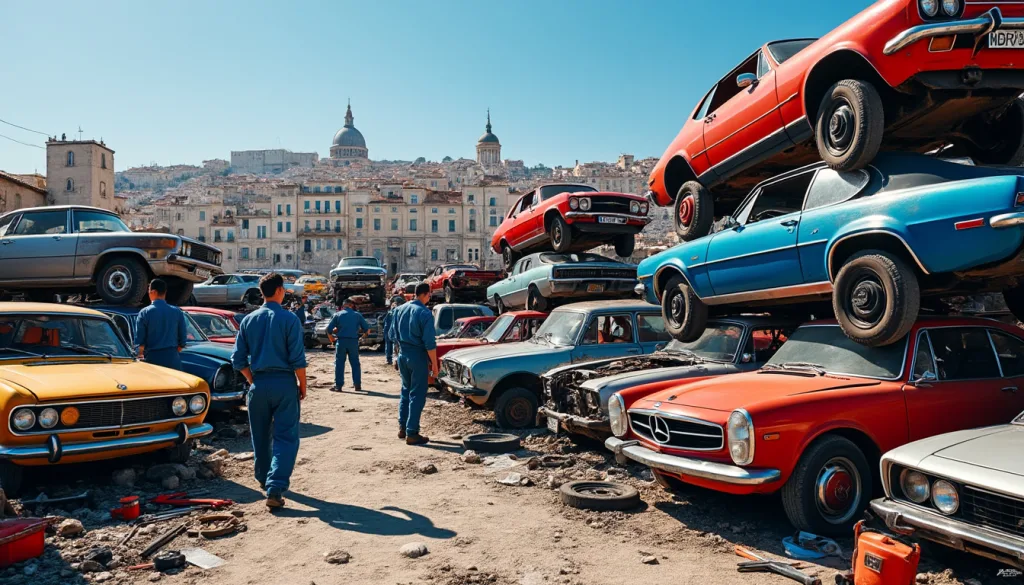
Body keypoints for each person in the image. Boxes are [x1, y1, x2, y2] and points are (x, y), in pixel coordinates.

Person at [231, 273, 307, 509]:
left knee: (260, 436)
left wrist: (254, 379)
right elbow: (298, 359)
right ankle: (275, 487)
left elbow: (238, 360)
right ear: (280, 290)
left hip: (259, 384)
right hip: (284, 383)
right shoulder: (290, 319)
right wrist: (302, 386)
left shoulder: (248, 320)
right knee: (286, 436)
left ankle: (264, 479)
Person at [392, 282, 437, 445]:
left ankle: (402, 427)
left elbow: (393, 336)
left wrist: (396, 356)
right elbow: (430, 344)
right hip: (417, 356)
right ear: (425, 294)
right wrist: (435, 366)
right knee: (417, 394)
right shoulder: (425, 313)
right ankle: (412, 432)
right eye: (429, 295)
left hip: (403, 354)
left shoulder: (398, 310)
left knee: (405, 391)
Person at [135, 279, 188, 370]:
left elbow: (139, 341)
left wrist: (139, 354)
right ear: (165, 292)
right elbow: (183, 339)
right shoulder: (177, 311)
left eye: (149, 291)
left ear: (154, 292)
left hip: (153, 360)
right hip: (174, 360)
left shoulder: (145, 312)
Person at [326, 297, 369, 392]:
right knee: (355, 364)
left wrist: (332, 340)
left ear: (343, 306)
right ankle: (357, 385)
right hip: (353, 342)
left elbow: (328, 330)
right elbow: (367, 329)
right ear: (351, 305)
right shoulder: (357, 315)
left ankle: (338, 386)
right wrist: (362, 337)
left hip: (341, 342)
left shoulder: (337, 315)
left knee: (339, 364)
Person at [381, 301, 396, 367]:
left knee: (388, 345)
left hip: (387, 331)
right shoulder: (397, 312)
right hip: (394, 331)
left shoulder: (388, 313)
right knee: (394, 345)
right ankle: (393, 360)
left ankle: (388, 359)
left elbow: (383, 321)